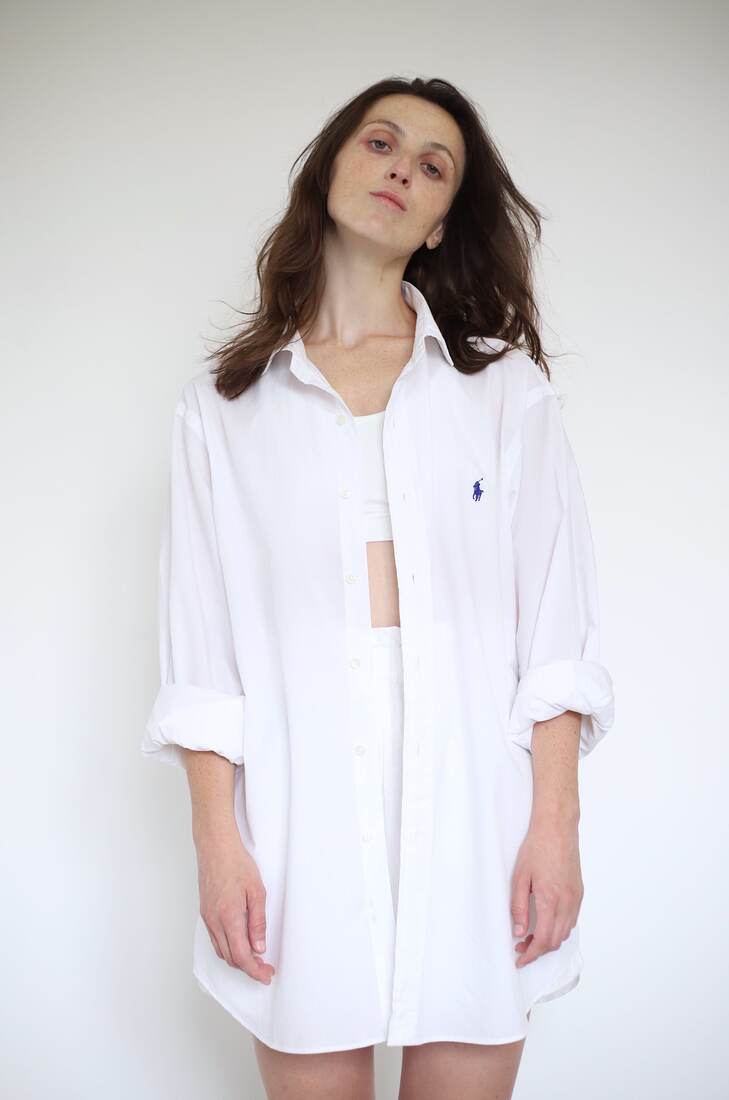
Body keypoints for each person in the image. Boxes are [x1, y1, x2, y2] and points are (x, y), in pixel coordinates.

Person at [142, 75, 615, 1100]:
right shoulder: (222, 411)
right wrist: (217, 846)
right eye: (380, 142)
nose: (402, 168)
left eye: (432, 165)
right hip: (300, 819)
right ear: (329, 170)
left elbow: (556, 634)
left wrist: (554, 826)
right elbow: (202, 657)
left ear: (441, 222)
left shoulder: (504, 394)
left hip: (477, 819)